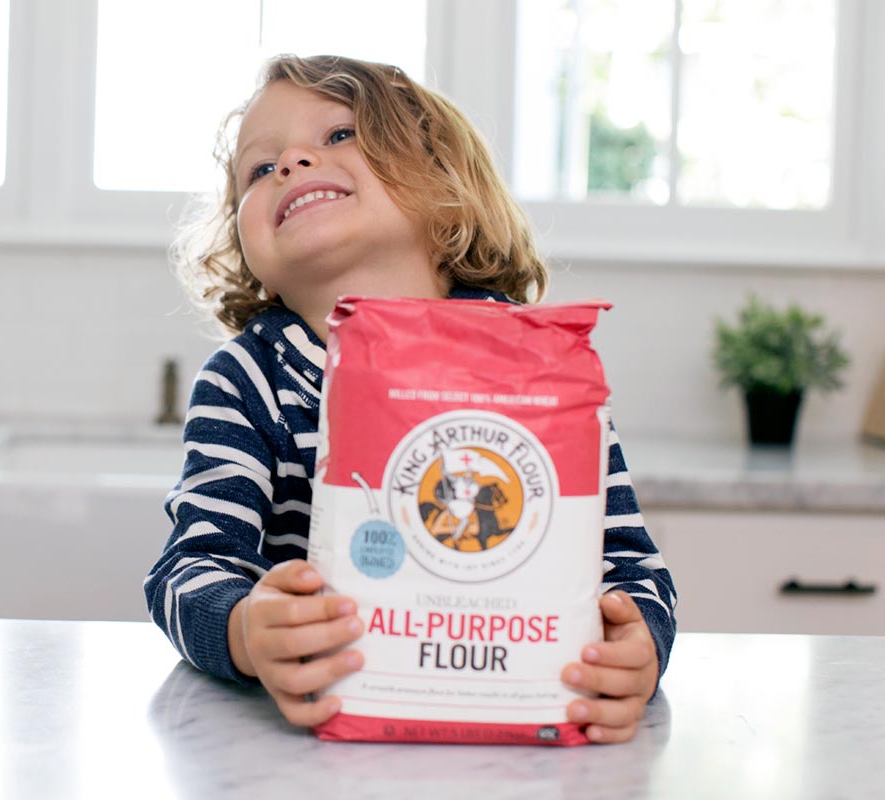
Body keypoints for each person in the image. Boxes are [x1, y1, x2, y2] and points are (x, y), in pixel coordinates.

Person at [144, 54, 676, 744]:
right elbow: (187, 571)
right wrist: (244, 629)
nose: (292, 163)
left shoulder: (538, 365)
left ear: (443, 181)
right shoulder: (248, 381)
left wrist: (637, 650)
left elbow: (632, 569)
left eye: (338, 136)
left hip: (522, 748)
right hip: (315, 755)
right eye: (258, 168)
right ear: (251, 253)